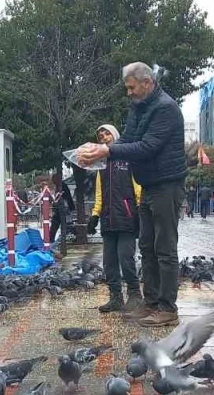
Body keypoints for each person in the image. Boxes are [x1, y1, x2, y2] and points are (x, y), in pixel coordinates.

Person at [77, 61, 186, 328]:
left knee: (165, 249)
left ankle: (168, 308)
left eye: (131, 87)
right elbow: (127, 138)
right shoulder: (140, 107)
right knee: (147, 247)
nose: (129, 92)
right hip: (149, 184)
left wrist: (108, 151)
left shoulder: (166, 108)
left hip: (167, 185)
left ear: (147, 83)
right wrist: (99, 148)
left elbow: (148, 147)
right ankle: (150, 303)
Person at [89, 123, 142, 313]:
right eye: (100, 134)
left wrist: (139, 209)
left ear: (114, 135)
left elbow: (138, 187)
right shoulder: (101, 164)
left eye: (106, 133)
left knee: (126, 258)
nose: (103, 136)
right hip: (108, 219)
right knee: (109, 262)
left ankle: (135, 295)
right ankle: (115, 297)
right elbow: (99, 194)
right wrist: (95, 215)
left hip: (127, 218)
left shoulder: (127, 159)